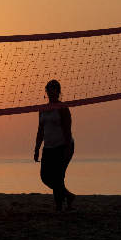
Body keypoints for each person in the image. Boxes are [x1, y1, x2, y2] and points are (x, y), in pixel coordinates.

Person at [34, 80, 75, 211]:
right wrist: (36, 148)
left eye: (53, 89)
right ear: (46, 92)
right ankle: (68, 196)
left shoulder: (63, 108)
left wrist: (67, 149)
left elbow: (67, 130)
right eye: (49, 89)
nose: (51, 92)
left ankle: (59, 206)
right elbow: (40, 130)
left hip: (62, 146)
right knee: (45, 177)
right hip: (48, 148)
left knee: (58, 177)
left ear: (58, 91)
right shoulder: (43, 109)